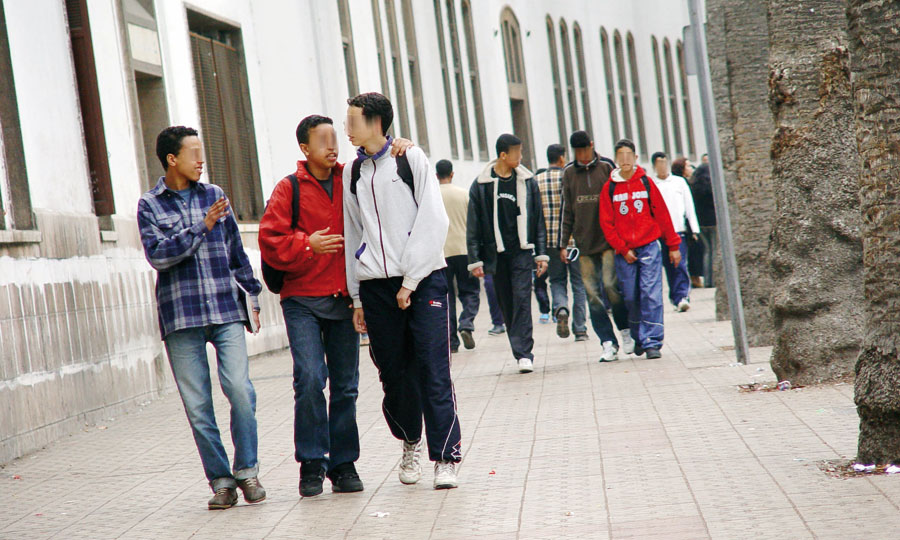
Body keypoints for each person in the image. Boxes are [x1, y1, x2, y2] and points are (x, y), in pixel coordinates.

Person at [258, 115, 411, 498]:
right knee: (310, 380)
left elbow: (386, 183)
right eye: (322, 140)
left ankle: (343, 463)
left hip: (345, 300)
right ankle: (311, 463)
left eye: (334, 138)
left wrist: (402, 146)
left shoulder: (354, 176)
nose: (332, 145)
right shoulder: (288, 188)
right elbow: (270, 239)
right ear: (304, 148)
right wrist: (307, 243)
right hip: (301, 300)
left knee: (345, 387)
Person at [137, 126, 265, 510]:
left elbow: (234, 251)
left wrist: (253, 295)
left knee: (241, 391)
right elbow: (158, 256)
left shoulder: (215, 195)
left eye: (201, 151)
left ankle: (248, 472)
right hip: (182, 316)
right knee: (198, 405)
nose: (200, 159)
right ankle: (221, 481)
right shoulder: (150, 205)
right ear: (172, 159)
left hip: (225, 308)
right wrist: (201, 226)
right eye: (192, 152)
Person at [342, 92, 462, 490]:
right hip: (376, 287)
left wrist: (410, 281)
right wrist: (357, 294)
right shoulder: (353, 172)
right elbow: (353, 232)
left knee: (433, 369)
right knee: (394, 375)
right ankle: (410, 440)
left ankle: (445, 457)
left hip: (424, 277)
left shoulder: (410, 159)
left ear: (376, 123)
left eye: (353, 120)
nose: (347, 127)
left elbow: (433, 219)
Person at [467, 134, 549, 374]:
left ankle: (525, 353)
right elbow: (473, 224)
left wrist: (541, 255)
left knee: (523, 298)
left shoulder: (527, 181)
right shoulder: (481, 185)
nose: (520, 157)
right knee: (507, 302)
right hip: (496, 255)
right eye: (517, 152)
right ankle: (518, 348)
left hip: (521, 253)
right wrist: (475, 259)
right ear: (503, 155)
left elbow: (537, 220)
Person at [599, 139, 682, 360]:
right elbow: (607, 224)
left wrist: (673, 246)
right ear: (616, 159)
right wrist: (622, 248)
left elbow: (662, 215)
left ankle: (652, 341)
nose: (625, 159)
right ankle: (638, 336)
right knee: (630, 296)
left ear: (636, 158)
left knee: (650, 294)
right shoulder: (610, 188)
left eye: (629, 154)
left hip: (649, 247)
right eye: (621, 155)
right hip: (624, 252)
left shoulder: (645, 183)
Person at [559, 131, 632, 362]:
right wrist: (563, 243)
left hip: (609, 241)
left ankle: (625, 331)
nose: (581, 155)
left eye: (584, 150)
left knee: (611, 287)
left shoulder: (607, 167)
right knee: (592, 295)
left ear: (592, 145)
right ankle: (608, 342)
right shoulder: (569, 173)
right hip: (584, 245)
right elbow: (567, 209)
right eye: (577, 152)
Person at [535, 143, 588, 340]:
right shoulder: (570, 177)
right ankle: (580, 329)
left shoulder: (536, 180)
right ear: (562, 158)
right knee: (579, 284)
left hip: (549, 243)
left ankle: (561, 309)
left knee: (557, 281)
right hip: (573, 241)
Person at [436, 159, 480, 353]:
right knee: (470, 292)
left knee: (447, 298)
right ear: (452, 174)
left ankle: (452, 342)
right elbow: (474, 223)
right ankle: (467, 323)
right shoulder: (464, 194)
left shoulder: (432, 195)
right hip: (464, 251)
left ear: (436, 176)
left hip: (442, 253)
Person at [650, 151, 700, 312]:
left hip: (679, 230)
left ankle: (683, 295)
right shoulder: (651, 184)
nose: (662, 167)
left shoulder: (679, 182)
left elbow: (689, 205)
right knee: (668, 265)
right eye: (659, 163)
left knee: (680, 263)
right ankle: (675, 295)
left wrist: (694, 228)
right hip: (660, 233)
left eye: (664, 163)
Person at [673, 157, 704, 287]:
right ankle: (692, 278)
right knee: (690, 254)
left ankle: (694, 278)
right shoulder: (680, 183)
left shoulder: (689, 182)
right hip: (683, 225)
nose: (691, 169)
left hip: (690, 224)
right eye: (688, 166)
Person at [690, 163, 717, 288]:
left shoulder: (693, 186)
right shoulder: (710, 187)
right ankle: (714, 279)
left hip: (701, 222)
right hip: (712, 221)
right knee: (714, 250)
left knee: (707, 251)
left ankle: (707, 279)